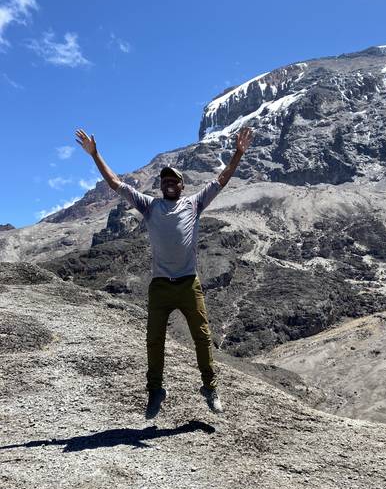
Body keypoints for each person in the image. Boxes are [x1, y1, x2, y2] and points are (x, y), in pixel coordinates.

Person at [75, 126, 253, 418]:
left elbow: (222, 180)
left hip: (188, 285)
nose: (169, 183)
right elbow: (116, 183)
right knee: (154, 340)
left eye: (174, 180)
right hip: (160, 286)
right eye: (165, 180)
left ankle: (210, 388)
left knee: (203, 337)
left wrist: (238, 153)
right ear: (161, 185)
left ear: (182, 185)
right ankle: (155, 390)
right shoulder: (149, 205)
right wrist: (95, 155)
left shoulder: (194, 204)